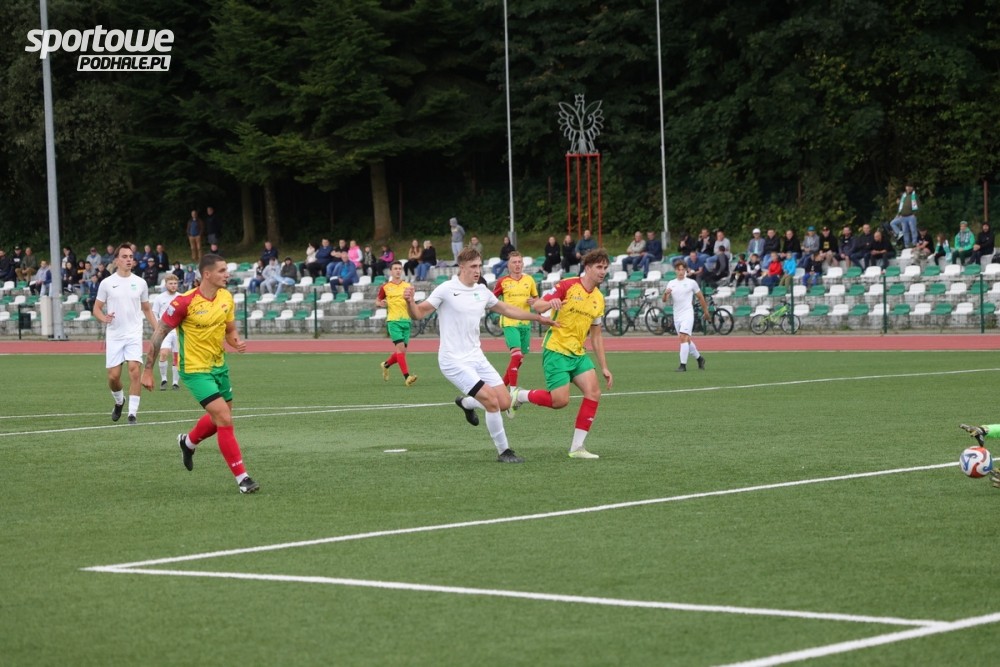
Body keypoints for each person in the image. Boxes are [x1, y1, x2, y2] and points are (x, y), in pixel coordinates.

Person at [403, 247, 557, 463]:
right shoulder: (446, 289)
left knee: (504, 402)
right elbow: (418, 313)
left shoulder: (482, 291)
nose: (477, 270)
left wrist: (538, 318)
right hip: (453, 360)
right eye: (473, 266)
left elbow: (508, 309)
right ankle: (504, 451)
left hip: (477, 357)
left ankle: (467, 403)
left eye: (479, 266)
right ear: (462, 267)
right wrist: (410, 302)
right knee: (492, 402)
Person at [141, 253, 259, 494]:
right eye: (222, 270)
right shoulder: (184, 302)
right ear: (207, 274)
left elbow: (230, 329)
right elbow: (159, 334)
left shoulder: (226, 297)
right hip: (195, 370)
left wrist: (235, 341)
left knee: (220, 418)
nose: (227, 274)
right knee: (224, 417)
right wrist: (148, 371)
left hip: (219, 366)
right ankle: (243, 478)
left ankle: (188, 442)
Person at [508, 248, 613, 459]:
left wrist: (604, 366)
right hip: (556, 349)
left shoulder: (599, 298)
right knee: (560, 401)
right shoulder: (567, 285)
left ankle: (577, 448)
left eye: (605, 267)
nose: (603, 271)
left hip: (578, 353)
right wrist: (551, 302)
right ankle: (519, 395)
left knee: (594, 392)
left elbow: (596, 336)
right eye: (599, 267)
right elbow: (538, 306)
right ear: (587, 268)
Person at [93, 243, 159, 424]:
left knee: (134, 371)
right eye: (124, 257)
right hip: (114, 335)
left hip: (133, 334)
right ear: (116, 260)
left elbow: (146, 308)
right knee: (113, 377)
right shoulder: (107, 283)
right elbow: (96, 308)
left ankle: (132, 414)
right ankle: (119, 401)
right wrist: (104, 318)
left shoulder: (140, 283)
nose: (128, 259)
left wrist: (158, 328)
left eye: (131, 257)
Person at [492, 252, 538, 391]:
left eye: (519, 262)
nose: (517, 265)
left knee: (519, 360)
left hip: (525, 323)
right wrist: (500, 309)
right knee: (516, 355)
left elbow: (537, 300)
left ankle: (499, 389)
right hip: (509, 322)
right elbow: (491, 300)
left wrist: (534, 301)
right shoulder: (502, 281)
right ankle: (513, 391)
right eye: (514, 262)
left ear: (523, 264)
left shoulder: (529, 280)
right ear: (508, 265)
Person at [660, 259, 710, 372]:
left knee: (683, 337)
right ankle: (700, 358)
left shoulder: (691, 283)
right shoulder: (671, 283)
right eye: (679, 270)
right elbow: (664, 300)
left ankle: (683, 365)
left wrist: (706, 312)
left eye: (683, 269)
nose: (681, 272)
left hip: (688, 314)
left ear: (686, 270)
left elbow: (700, 297)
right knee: (685, 340)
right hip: (677, 315)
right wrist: (665, 294)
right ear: (675, 271)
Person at [376, 260, 418, 387]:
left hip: (406, 321)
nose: (398, 271)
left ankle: (386, 365)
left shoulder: (408, 286)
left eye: (400, 268)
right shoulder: (385, 287)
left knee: (402, 352)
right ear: (391, 271)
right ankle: (407, 377)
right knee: (400, 349)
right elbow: (377, 300)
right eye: (395, 268)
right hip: (393, 321)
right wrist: (381, 303)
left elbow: (412, 302)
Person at [151, 274, 182, 390]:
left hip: (178, 331)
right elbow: (154, 313)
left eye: (175, 283)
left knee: (177, 356)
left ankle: (175, 383)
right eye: (171, 283)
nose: (173, 286)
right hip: (164, 331)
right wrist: (157, 327)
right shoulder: (159, 298)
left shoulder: (181, 297)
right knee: (164, 353)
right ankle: (164, 379)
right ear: (166, 284)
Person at [889, 183, 919, 248]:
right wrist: (899, 214)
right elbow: (901, 206)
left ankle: (914, 243)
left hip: (911, 216)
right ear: (906, 187)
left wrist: (915, 214)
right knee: (905, 231)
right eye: (907, 186)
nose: (908, 188)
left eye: (910, 186)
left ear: (912, 188)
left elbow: (918, 205)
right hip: (903, 216)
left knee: (913, 230)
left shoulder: (914, 195)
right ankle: (906, 245)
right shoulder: (903, 195)